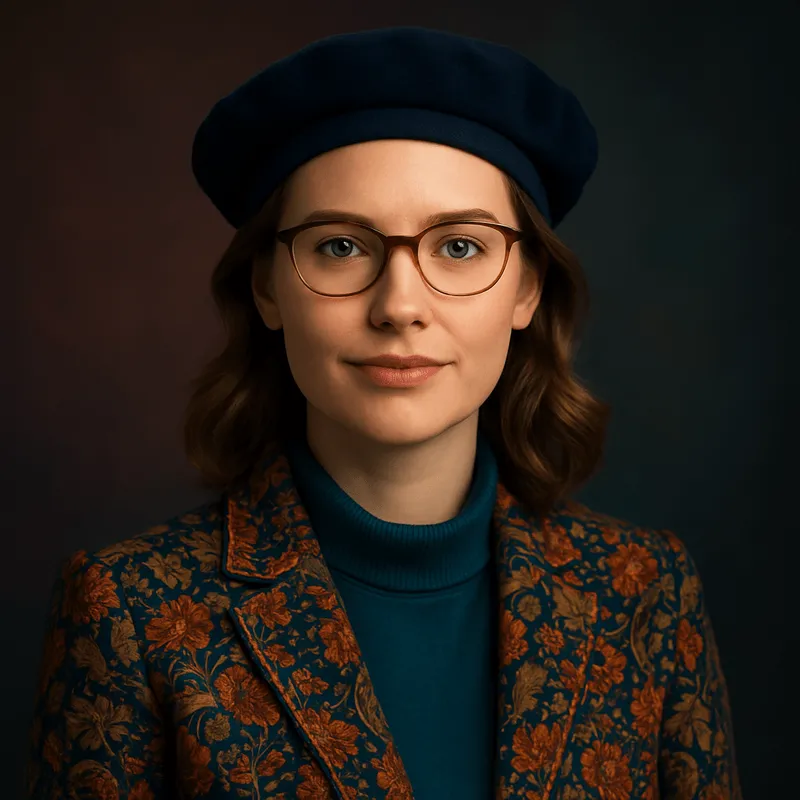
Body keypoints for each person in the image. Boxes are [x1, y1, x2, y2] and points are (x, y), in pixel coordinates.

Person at [25, 26, 741, 800]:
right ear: (268, 287)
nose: (400, 306)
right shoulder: (129, 608)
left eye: (459, 247)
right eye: (341, 246)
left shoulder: (645, 594)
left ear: (527, 288)